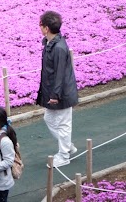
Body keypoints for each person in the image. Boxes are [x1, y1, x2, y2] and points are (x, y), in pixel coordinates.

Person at [36, 10, 78, 168]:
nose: (39, 28)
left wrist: (55, 94)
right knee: (50, 119)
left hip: (61, 93)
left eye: (40, 25)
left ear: (46, 28)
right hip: (54, 91)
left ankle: (64, 154)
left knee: (63, 123)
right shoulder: (49, 43)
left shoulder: (58, 47)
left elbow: (60, 73)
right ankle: (67, 146)